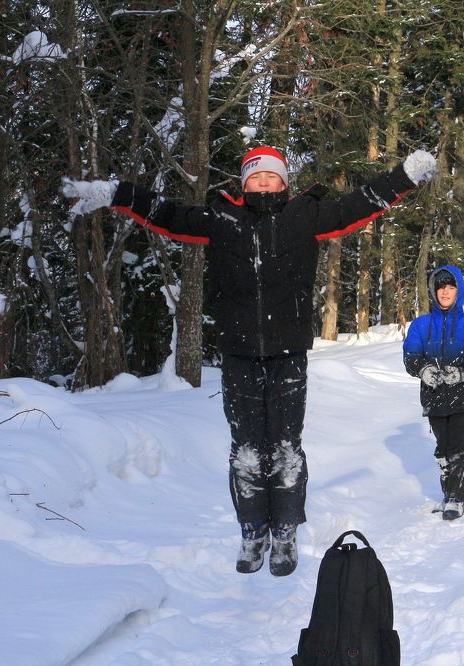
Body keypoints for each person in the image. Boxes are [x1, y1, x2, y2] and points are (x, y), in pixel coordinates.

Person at [62, 146, 437, 575]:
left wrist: (404, 176)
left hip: (288, 355)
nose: (263, 181)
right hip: (238, 355)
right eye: (255, 176)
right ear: (243, 183)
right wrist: (116, 193)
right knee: (246, 450)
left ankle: (286, 532)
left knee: (285, 447)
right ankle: (253, 530)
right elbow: (168, 215)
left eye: (271, 175)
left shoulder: (304, 215)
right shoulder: (221, 219)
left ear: (284, 181)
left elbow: (357, 205)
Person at [402, 265, 464, 521]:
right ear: (433, 291)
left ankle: (456, 499)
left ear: (458, 291)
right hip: (434, 397)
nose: (445, 292)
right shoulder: (421, 325)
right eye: (441, 287)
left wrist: (462, 373)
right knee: (443, 449)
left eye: (450, 288)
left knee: (459, 447)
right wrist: (423, 370)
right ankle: (448, 493)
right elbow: (411, 356)